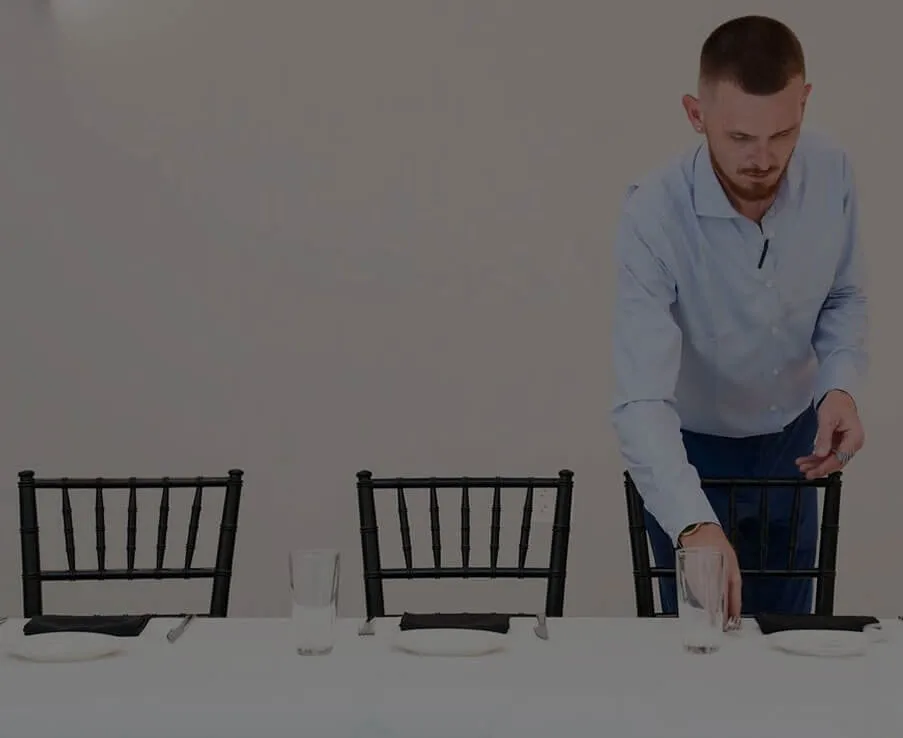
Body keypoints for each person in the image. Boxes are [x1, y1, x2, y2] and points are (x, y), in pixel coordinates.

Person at [610, 15, 868, 619]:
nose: (764, 157)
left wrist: (840, 386)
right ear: (695, 115)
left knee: (793, 643)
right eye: (740, 137)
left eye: (783, 133)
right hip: (692, 455)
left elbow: (843, 297)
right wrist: (692, 521)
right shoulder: (653, 213)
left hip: (794, 448)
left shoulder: (833, 172)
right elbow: (640, 398)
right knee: (701, 650)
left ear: (804, 101)